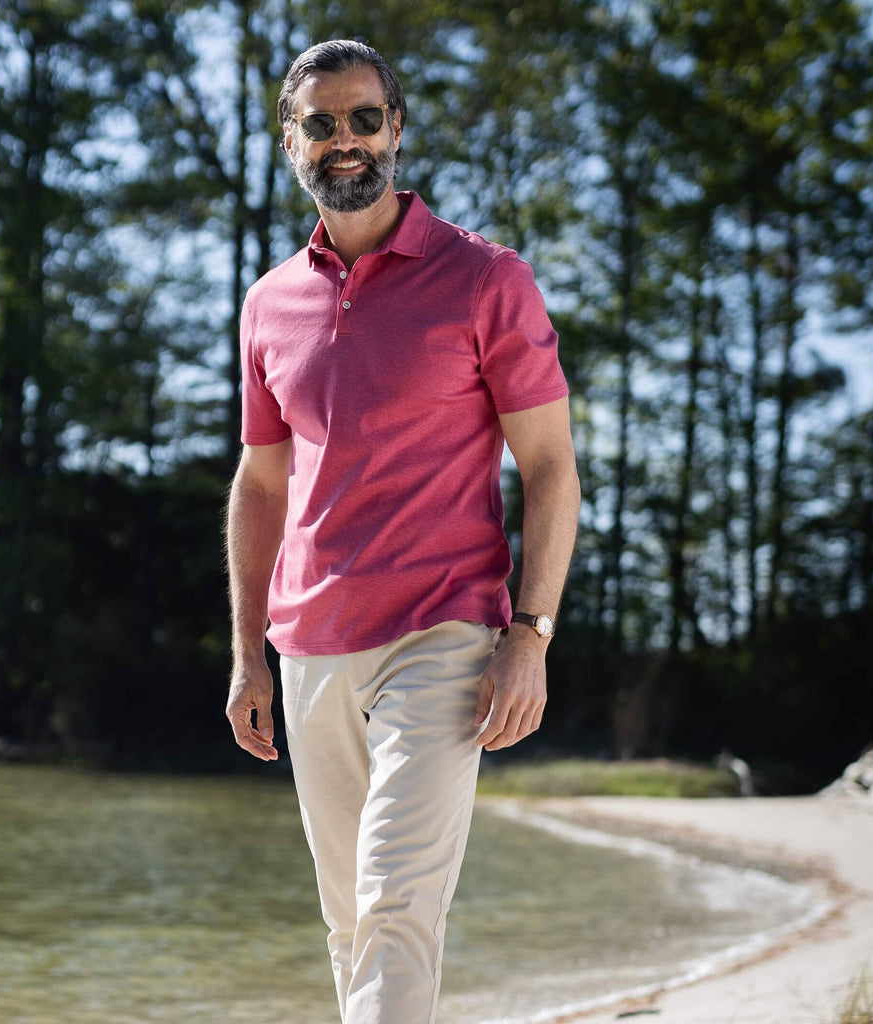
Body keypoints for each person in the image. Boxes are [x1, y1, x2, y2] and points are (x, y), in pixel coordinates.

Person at [225, 38, 580, 1024]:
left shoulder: (486, 279)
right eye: (321, 123)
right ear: (289, 141)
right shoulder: (267, 304)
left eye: (364, 118)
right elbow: (260, 484)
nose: (344, 140)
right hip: (307, 649)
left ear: (398, 130)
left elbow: (551, 467)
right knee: (350, 923)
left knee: (394, 902)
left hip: (441, 635)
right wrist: (247, 653)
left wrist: (531, 636)